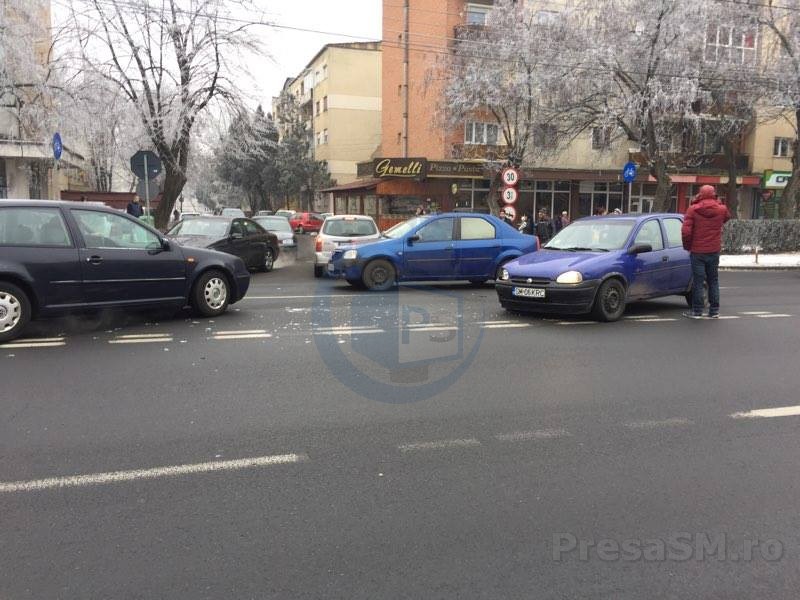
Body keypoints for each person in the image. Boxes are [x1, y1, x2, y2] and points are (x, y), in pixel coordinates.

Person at [681, 184, 731, 319]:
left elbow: (686, 232)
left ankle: (697, 311)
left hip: (697, 251)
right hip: (714, 250)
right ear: (714, 194)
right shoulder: (721, 209)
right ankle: (714, 310)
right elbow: (726, 217)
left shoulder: (693, 210)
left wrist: (687, 246)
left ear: (700, 195)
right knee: (713, 280)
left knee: (698, 281)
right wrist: (717, 202)